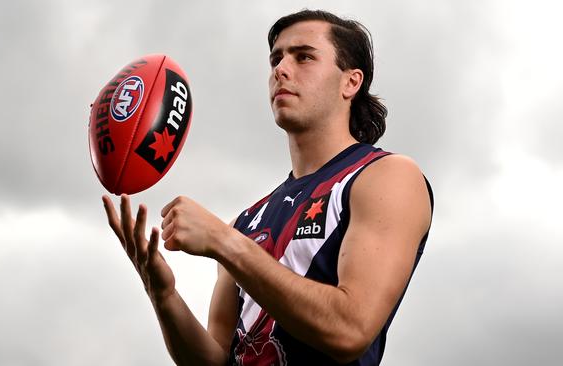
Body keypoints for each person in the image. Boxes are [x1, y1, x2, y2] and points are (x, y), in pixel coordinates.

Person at [102, 9, 433, 366]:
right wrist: (163, 295)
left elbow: (350, 329)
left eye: (303, 56)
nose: (281, 69)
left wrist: (224, 243)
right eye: (276, 59)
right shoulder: (248, 220)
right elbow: (214, 360)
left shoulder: (385, 176)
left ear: (350, 83)